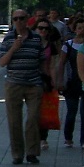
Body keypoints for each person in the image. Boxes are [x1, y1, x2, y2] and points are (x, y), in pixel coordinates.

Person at [0, 9, 46, 165]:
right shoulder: (8, 38)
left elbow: (42, 61)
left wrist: (50, 80)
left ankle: (32, 152)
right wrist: (14, 48)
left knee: (33, 118)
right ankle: (17, 154)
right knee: (14, 120)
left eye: (21, 18)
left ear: (27, 20)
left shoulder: (36, 38)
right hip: (14, 84)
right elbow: (2, 62)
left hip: (34, 83)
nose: (18, 21)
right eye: (15, 19)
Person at [35, 20, 64, 150]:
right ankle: (34, 136)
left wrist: (54, 81)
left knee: (44, 110)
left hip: (45, 81)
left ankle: (42, 138)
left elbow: (52, 65)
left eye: (46, 29)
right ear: (35, 29)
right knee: (34, 110)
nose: (43, 31)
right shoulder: (31, 44)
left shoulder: (50, 46)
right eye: (40, 28)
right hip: (31, 80)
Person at [62, 17, 84, 148]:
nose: (82, 31)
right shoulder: (68, 44)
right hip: (72, 82)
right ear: (74, 29)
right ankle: (68, 137)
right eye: (79, 28)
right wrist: (58, 80)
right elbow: (61, 64)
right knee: (71, 112)